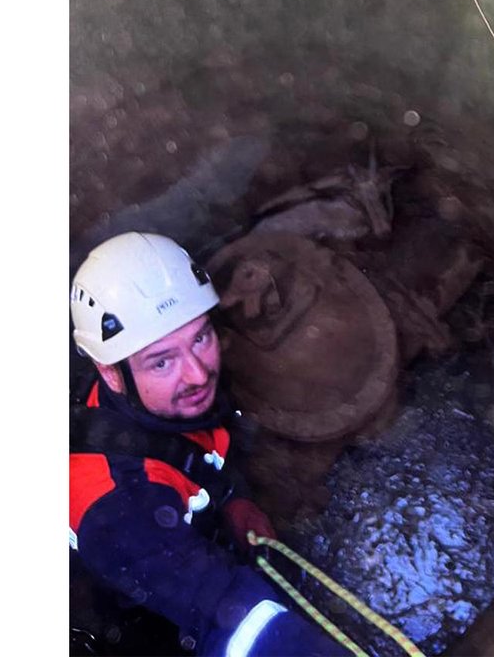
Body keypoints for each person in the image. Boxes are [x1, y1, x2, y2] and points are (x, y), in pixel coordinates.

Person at [69, 231, 346, 656]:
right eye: (162, 361)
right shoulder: (117, 510)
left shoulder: (146, 400)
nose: (198, 374)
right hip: (131, 613)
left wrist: (233, 498)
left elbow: (196, 447)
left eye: (200, 337)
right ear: (109, 373)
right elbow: (237, 626)